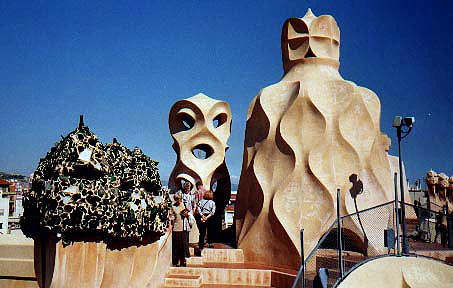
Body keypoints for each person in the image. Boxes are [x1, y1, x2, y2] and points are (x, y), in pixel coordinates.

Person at [171, 192, 193, 267]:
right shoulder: (173, 206)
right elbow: (171, 216)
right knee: (176, 246)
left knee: (182, 246)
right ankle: (176, 261)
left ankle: (183, 260)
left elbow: (189, 213)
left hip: (183, 228)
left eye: (180, 198)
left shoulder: (184, 205)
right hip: (176, 227)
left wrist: (186, 214)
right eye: (177, 199)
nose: (179, 200)